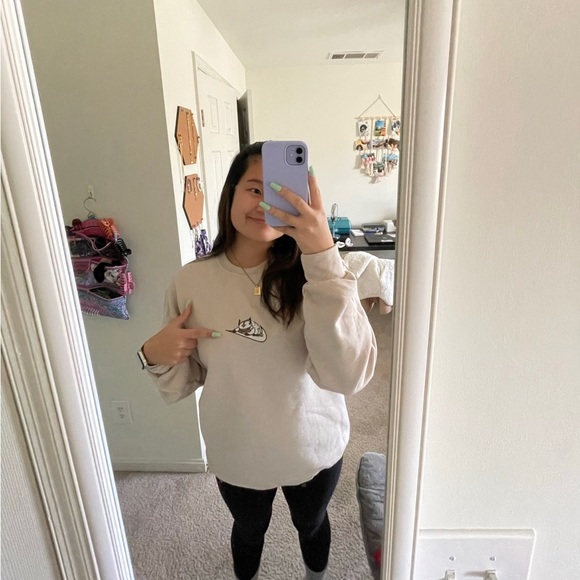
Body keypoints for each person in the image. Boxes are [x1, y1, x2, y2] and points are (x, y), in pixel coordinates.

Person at [139, 142, 377, 580]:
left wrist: (323, 256)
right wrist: (152, 354)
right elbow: (182, 380)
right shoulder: (191, 281)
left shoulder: (322, 274)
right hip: (237, 451)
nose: (267, 202)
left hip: (312, 445)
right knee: (248, 531)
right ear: (230, 193)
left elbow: (348, 375)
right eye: (254, 188)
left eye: (282, 190)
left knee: (312, 525)